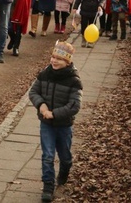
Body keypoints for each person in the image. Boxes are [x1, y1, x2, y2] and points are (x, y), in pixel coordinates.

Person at [29, 41, 83, 202]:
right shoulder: (45, 73)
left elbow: (75, 105)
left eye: (58, 59)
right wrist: (41, 105)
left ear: (67, 61)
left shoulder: (73, 80)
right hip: (46, 124)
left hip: (64, 125)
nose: (54, 61)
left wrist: (55, 113)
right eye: (53, 57)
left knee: (65, 156)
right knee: (47, 155)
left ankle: (65, 170)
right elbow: (34, 91)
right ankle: (48, 186)